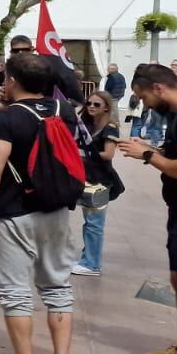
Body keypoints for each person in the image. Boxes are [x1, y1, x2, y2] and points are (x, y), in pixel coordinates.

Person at [0, 54, 80, 354]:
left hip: (16, 212)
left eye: (6, 77)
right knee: (58, 285)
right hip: (57, 210)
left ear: (13, 81)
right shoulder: (65, 111)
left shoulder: (9, 119)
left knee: (14, 290)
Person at [118, 64, 177, 354]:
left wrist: (146, 155)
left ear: (158, 88)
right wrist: (152, 151)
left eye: (143, 97)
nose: (145, 105)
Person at [71, 90, 124, 277]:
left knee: (94, 223)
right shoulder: (85, 125)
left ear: (106, 108)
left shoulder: (109, 127)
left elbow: (108, 154)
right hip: (84, 177)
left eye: (96, 105)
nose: (91, 107)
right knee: (90, 222)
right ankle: (88, 260)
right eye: (89, 103)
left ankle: (92, 264)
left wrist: (82, 154)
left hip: (100, 180)